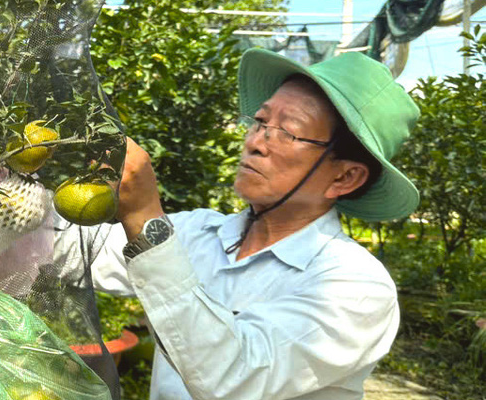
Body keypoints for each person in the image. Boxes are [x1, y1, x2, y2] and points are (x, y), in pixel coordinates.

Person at [54, 48, 421, 400]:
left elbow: (233, 378)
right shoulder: (200, 233)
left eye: (288, 132)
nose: (256, 142)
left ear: (344, 177)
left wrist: (144, 216)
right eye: (260, 122)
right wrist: (11, 183)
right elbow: (69, 250)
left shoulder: (356, 287)